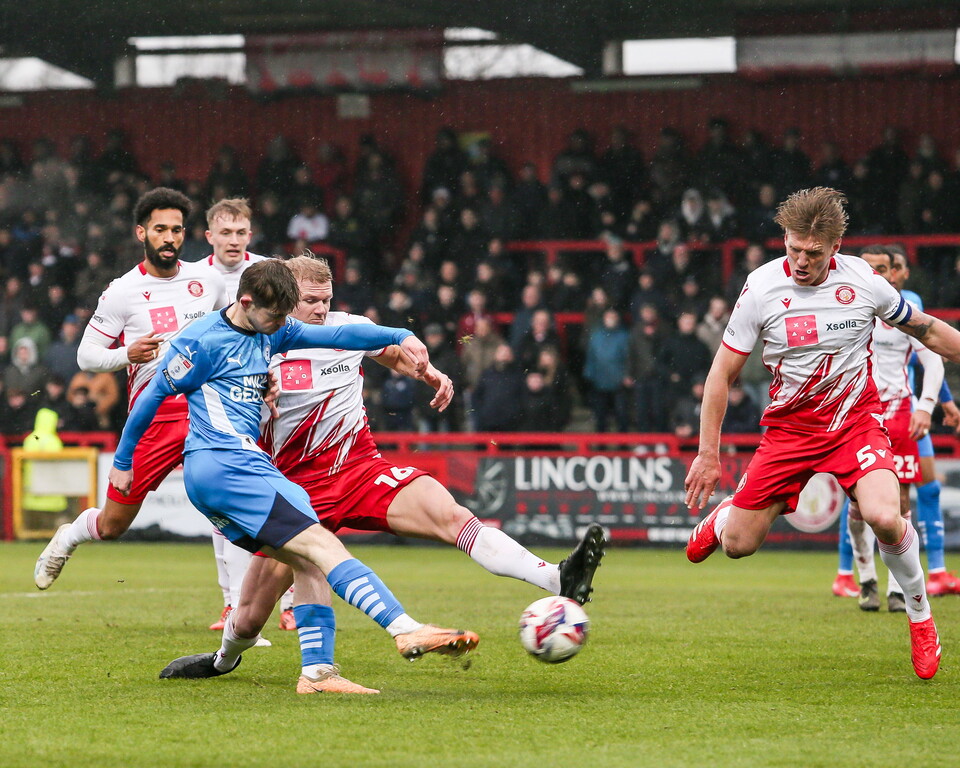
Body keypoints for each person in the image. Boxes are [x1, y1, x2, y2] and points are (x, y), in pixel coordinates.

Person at [162, 255, 604, 693]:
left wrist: (423, 369)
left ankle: (555, 577)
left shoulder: (344, 326)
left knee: (451, 514)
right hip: (293, 487)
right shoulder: (261, 345)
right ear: (285, 300)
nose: (320, 309)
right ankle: (223, 660)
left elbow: (388, 350)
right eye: (311, 301)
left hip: (359, 469)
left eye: (326, 299)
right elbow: (222, 407)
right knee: (250, 615)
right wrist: (262, 395)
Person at [114, 259, 479, 692]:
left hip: (246, 467)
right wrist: (123, 464)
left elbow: (342, 335)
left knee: (305, 562)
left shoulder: (274, 328)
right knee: (324, 545)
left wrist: (401, 335)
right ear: (245, 301)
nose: (279, 326)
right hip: (225, 466)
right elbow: (150, 397)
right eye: (273, 315)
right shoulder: (199, 342)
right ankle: (405, 628)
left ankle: (301, 671)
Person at [684, 188, 960, 680]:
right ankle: (727, 517)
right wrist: (708, 455)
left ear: (836, 246)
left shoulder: (865, 282)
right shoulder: (761, 287)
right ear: (784, 239)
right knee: (739, 546)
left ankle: (920, 618)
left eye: (813, 253)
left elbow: (927, 331)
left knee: (885, 516)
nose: (801, 261)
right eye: (793, 249)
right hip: (789, 432)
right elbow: (720, 374)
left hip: (855, 425)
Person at [33, 188, 229, 590]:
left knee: (236, 500)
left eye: (176, 230)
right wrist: (128, 354)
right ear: (142, 233)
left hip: (206, 407)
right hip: (153, 418)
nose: (170, 237)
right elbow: (86, 357)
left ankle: (240, 610)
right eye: (160, 229)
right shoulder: (122, 291)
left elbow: (228, 332)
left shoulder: (207, 280)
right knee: (114, 524)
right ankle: (69, 536)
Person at [832, 245, 960, 602]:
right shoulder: (842, 308)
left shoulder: (901, 312)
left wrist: (927, 407)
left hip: (898, 413)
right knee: (857, 502)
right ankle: (865, 577)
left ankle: (894, 588)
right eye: (869, 267)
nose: (877, 274)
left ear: (893, 273)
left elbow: (933, 359)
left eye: (883, 268)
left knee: (900, 501)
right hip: (856, 414)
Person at [198, 198, 295, 632]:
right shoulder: (195, 280)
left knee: (279, 491)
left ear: (249, 236)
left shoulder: (271, 273)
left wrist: (273, 374)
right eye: (226, 233)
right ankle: (231, 601)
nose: (234, 241)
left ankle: (288, 599)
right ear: (210, 237)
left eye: (241, 233)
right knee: (223, 510)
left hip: (267, 399)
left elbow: (290, 328)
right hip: (218, 403)